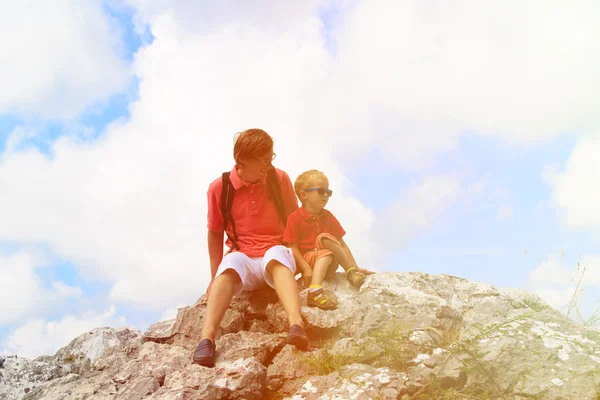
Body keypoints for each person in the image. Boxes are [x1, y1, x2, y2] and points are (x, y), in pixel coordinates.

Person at [192, 128, 308, 368]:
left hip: (275, 252)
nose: (269, 164)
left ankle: (296, 324)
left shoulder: (279, 179)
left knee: (277, 255)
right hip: (242, 256)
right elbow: (214, 233)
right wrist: (214, 276)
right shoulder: (219, 188)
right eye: (264, 160)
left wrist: (304, 261)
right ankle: (207, 338)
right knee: (229, 265)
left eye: (271, 157)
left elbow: (294, 221)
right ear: (242, 160)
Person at [283, 169, 375, 310]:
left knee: (326, 240)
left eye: (328, 192)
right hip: (309, 260)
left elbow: (342, 245)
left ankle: (351, 271)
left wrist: (355, 266)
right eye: (320, 191)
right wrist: (306, 268)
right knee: (324, 243)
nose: (325, 195)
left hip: (329, 263)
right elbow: (292, 248)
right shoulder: (294, 218)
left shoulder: (328, 216)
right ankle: (314, 290)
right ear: (303, 195)